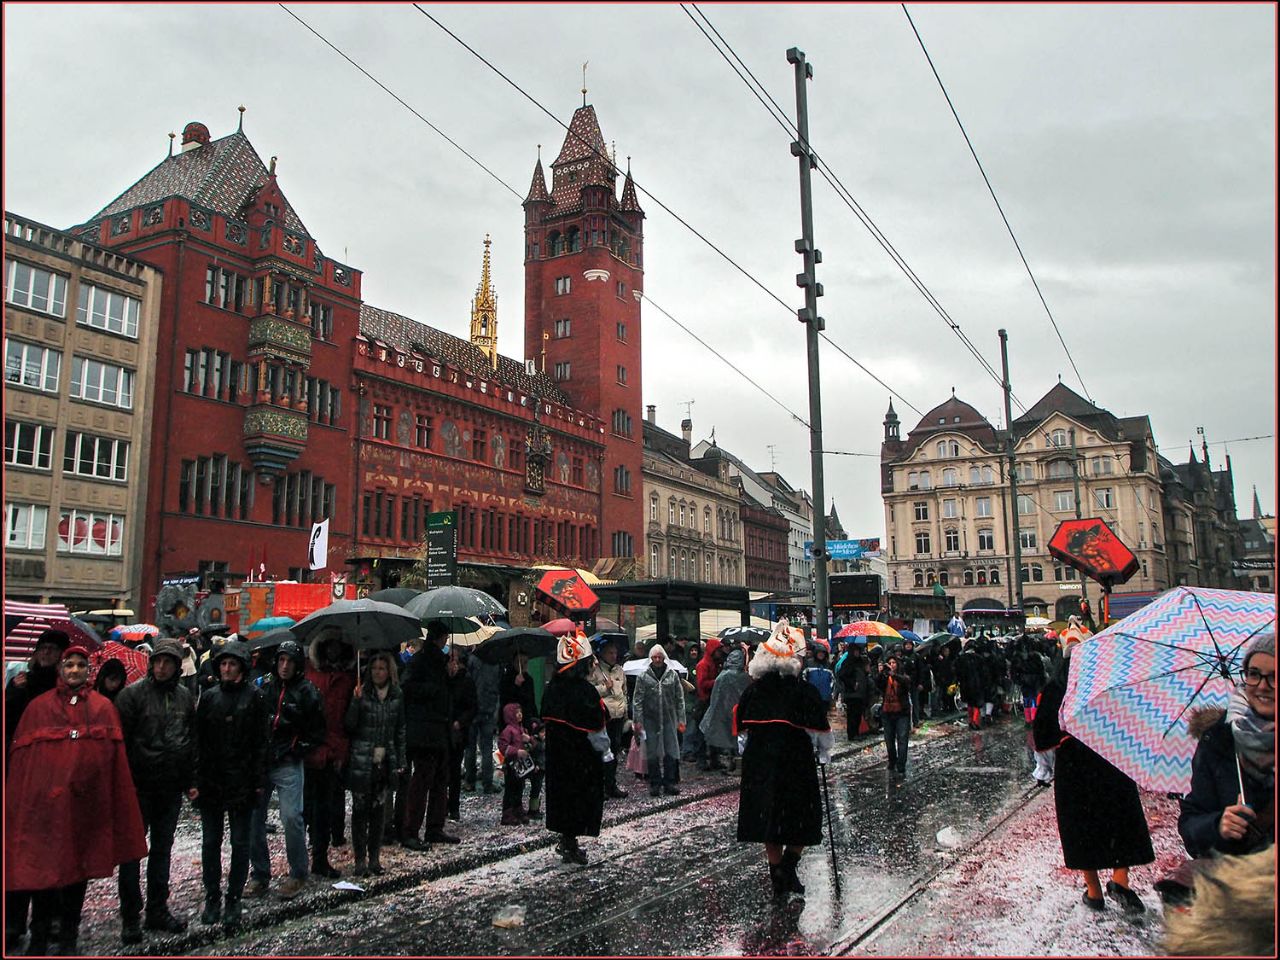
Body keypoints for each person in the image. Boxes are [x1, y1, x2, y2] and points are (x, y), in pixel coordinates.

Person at [5, 644, 148, 955]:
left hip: (85, 809)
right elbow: (25, 764)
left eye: (80, 666)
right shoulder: (38, 707)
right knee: (45, 875)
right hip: (46, 810)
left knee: (77, 876)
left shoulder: (101, 708)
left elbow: (111, 763)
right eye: (68, 665)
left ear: (88, 671)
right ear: (61, 669)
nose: (74, 671)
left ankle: (68, 938)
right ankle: (39, 937)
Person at [1034, 631, 1153, 914]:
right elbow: (1130, 719)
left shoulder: (1055, 688)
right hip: (1109, 759)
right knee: (1119, 819)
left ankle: (1094, 890)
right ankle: (1120, 879)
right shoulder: (1107, 682)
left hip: (1075, 768)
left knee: (1081, 828)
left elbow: (1042, 736)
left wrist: (1065, 736)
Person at [735, 625, 832, 897]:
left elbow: (741, 734)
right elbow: (821, 733)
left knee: (769, 823)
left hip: (760, 765)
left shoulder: (753, 692)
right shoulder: (804, 691)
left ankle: (779, 874)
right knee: (801, 821)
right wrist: (823, 753)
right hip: (795, 764)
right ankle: (787, 869)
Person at [113, 639, 198, 944]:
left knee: (162, 851)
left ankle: (157, 909)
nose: (162, 667)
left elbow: (190, 738)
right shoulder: (132, 695)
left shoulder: (185, 696)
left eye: (168, 662)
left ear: (177, 666)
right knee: (133, 853)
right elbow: (120, 742)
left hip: (170, 786)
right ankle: (130, 917)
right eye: (158, 662)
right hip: (139, 784)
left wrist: (190, 779)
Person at [193, 639, 269, 931]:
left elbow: (261, 742)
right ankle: (213, 896)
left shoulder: (255, 698)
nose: (226, 669)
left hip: (242, 780)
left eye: (232, 664)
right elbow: (199, 740)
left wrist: (258, 780)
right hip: (212, 779)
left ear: (241, 667)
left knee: (240, 843)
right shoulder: (210, 697)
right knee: (211, 842)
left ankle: (233, 898)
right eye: (223, 664)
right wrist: (196, 778)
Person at [1178, 630, 1274, 859]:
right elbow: (1191, 824)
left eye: (1274, 676)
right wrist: (1218, 825)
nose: (1262, 685)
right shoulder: (1218, 739)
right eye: (1254, 674)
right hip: (1243, 885)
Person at [4, 628, 71, 952]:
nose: (46, 653)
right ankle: (13, 919)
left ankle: (49, 918)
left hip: (54, 782)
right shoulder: (20, 684)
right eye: (42, 647)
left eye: (52, 649)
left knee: (52, 855)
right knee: (19, 852)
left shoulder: (65, 690)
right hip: (20, 780)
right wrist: (14, 694)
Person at [248, 639, 325, 900]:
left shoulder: (307, 692)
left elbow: (316, 730)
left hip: (288, 760)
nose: (284, 666)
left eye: (289, 661)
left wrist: (296, 747)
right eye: (281, 660)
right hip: (263, 760)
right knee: (253, 818)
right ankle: (260, 873)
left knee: (291, 817)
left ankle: (298, 871)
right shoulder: (266, 688)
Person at [540, 632, 609, 865]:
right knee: (579, 801)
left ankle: (568, 840)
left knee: (562, 801)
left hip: (558, 758)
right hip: (581, 759)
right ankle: (570, 842)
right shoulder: (584, 692)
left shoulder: (552, 688)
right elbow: (597, 726)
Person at [344, 650, 406, 877]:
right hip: (362, 759)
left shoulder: (396, 695)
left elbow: (400, 728)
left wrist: (400, 759)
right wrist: (355, 701)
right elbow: (350, 726)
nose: (378, 672)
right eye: (374, 668)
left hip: (384, 760)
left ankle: (374, 858)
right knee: (360, 812)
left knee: (379, 812)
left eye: (381, 668)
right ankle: (360, 859)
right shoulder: (363, 692)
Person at [400, 619, 459, 849]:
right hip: (426, 729)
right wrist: (437, 686)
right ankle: (413, 830)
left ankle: (432, 827)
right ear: (439, 638)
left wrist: (451, 677)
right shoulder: (424, 662)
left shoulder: (438, 662)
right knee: (425, 780)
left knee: (436, 781)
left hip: (436, 728)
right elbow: (410, 689)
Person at [303, 631, 356, 879]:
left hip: (334, 750)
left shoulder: (348, 679)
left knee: (326, 806)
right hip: (309, 747)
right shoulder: (311, 674)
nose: (334, 651)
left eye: (338, 646)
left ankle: (320, 856)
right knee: (307, 807)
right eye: (330, 646)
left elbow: (347, 720)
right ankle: (306, 854)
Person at [632, 644, 687, 797]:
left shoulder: (672, 675)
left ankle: (669, 781)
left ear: (664, 658)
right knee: (652, 751)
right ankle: (655, 783)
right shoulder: (643, 676)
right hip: (650, 719)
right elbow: (637, 700)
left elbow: (679, 698)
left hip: (669, 718)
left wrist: (681, 719)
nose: (657, 660)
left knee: (671, 749)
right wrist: (638, 720)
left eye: (659, 657)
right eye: (654, 657)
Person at [587, 638, 629, 799]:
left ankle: (611, 784)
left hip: (618, 717)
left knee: (614, 752)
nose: (613, 656)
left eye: (615, 653)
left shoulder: (619, 670)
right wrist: (605, 687)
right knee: (601, 752)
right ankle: (600, 785)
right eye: (610, 653)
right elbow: (590, 691)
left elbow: (624, 692)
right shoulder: (596, 671)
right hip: (604, 717)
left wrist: (625, 710)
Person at [700, 647, 751, 773]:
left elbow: (716, 697)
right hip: (738, 712)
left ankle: (729, 762)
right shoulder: (744, 676)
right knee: (738, 739)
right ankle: (737, 763)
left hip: (722, 711)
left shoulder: (722, 676)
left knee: (726, 738)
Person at [463, 647, 502, 795]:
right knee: (486, 748)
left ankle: (469, 780)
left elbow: (469, 682)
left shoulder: (473, 660)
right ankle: (487, 783)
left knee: (470, 747)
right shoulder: (496, 663)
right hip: (489, 709)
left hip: (473, 708)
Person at [446, 647, 478, 820]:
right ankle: (443, 804)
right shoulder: (444, 679)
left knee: (455, 770)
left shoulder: (466, 681)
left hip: (458, 732)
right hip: (444, 729)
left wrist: (461, 721)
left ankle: (453, 806)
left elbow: (472, 706)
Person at [497, 703, 536, 825]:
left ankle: (517, 808)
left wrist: (529, 740)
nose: (520, 715)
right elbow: (503, 746)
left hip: (521, 766)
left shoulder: (521, 729)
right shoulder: (508, 730)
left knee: (519, 787)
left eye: (520, 712)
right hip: (511, 764)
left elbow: (533, 744)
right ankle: (508, 812)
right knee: (510, 788)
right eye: (516, 713)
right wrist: (516, 751)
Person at [693, 637, 727, 770]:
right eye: (718, 650)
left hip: (711, 701)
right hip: (705, 702)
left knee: (713, 732)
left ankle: (713, 759)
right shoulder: (704, 665)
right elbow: (702, 684)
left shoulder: (714, 663)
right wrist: (718, 681)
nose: (720, 652)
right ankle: (702, 760)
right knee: (702, 732)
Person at [876, 652, 913, 775]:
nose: (892, 665)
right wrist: (881, 673)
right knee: (889, 739)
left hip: (901, 712)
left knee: (902, 738)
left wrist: (894, 675)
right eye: (890, 663)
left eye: (894, 663)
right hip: (887, 712)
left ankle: (901, 764)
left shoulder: (902, 676)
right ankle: (892, 760)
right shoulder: (885, 677)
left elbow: (906, 682)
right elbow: (878, 685)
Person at [956, 639, 986, 731]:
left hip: (965, 684)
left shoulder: (961, 658)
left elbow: (958, 671)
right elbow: (983, 672)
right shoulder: (979, 658)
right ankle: (975, 721)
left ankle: (970, 720)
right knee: (976, 704)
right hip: (977, 684)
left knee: (969, 703)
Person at [803, 641, 835, 711]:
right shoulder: (809, 663)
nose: (821, 654)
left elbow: (833, 680)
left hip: (825, 696)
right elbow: (803, 678)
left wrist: (830, 693)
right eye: (819, 652)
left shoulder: (828, 665)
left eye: (823, 653)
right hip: (811, 696)